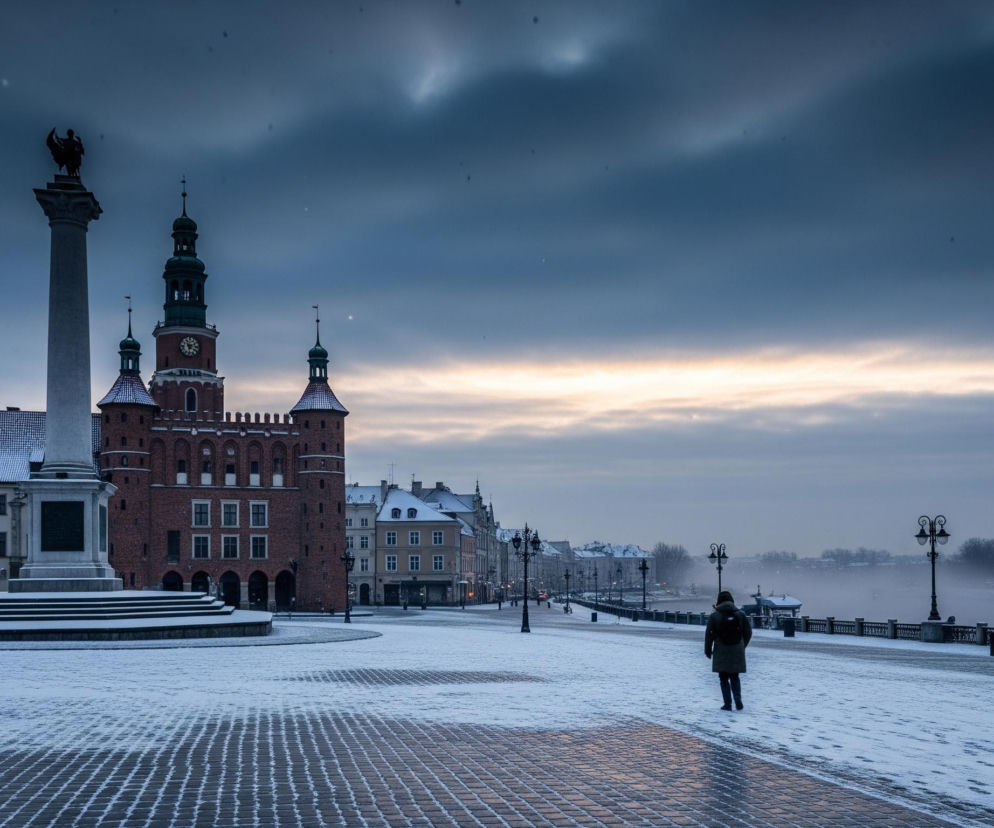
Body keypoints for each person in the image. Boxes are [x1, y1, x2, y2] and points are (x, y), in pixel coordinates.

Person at [704, 590, 752, 710]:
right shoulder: (740, 614)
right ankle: (738, 700)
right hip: (737, 650)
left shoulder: (714, 616)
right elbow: (748, 632)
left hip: (721, 649)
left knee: (723, 677)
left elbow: (708, 635)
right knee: (735, 676)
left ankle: (727, 704)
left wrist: (708, 650)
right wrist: (741, 645)